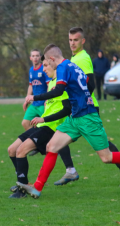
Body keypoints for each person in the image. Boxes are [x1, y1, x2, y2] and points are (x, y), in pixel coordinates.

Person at [17, 44, 120, 199]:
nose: (47, 66)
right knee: (51, 146)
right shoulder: (73, 66)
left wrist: (34, 97)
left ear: (52, 58)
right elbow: (88, 84)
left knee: (106, 157)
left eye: (47, 62)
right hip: (74, 118)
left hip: (87, 118)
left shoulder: (62, 68)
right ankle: (37, 187)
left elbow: (59, 91)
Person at [55, 27, 120, 187]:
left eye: (75, 40)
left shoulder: (82, 58)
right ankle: (70, 170)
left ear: (82, 41)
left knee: (104, 150)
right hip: (79, 109)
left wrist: (78, 103)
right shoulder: (74, 58)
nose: (72, 43)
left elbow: (90, 85)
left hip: (86, 109)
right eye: (70, 40)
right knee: (57, 139)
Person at [8, 56, 71, 198]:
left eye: (46, 65)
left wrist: (44, 118)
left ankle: (22, 188)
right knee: (12, 150)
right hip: (40, 125)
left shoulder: (62, 86)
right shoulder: (51, 84)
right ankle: (23, 181)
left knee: (21, 151)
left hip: (50, 128)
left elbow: (67, 110)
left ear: (54, 64)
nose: (44, 69)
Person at [22, 49, 51, 131]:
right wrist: (27, 99)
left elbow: (49, 85)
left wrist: (47, 99)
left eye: (37, 56)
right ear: (30, 58)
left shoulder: (44, 69)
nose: (35, 58)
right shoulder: (31, 70)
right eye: (33, 56)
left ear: (40, 57)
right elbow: (30, 85)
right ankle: (35, 142)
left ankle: (52, 142)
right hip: (34, 104)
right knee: (25, 123)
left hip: (43, 104)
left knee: (47, 126)